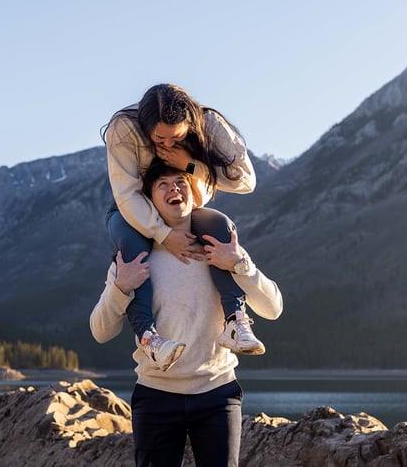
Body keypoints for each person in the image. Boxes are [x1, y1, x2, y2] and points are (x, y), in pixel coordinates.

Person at [90, 160, 283, 466]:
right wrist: (121, 286)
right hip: (155, 396)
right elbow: (100, 331)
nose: (173, 189)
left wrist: (238, 265)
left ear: (195, 193)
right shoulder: (134, 258)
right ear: (149, 202)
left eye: (180, 181)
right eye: (162, 184)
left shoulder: (221, 245)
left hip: (217, 393)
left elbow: (273, 308)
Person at [101, 83, 265, 371]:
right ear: (145, 125)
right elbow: (126, 194)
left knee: (220, 227)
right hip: (132, 212)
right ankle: (149, 340)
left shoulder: (210, 124)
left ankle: (235, 322)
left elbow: (245, 181)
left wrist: (189, 164)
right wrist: (164, 236)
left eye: (175, 138)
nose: (165, 145)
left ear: (189, 124)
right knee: (134, 249)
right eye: (158, 138)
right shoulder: (124, 130)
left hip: (186, 209)